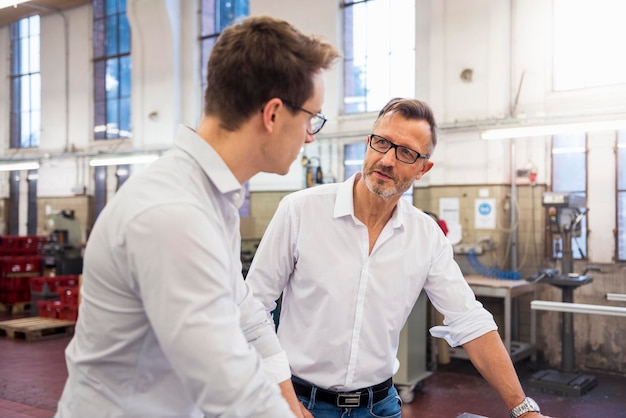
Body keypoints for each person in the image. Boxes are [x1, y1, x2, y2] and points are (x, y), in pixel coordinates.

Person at [55, 16, 340, 418]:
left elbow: (248, 317)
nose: (311, 135)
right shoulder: (172, 214)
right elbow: (229, 387)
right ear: (273, 114)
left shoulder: (214, 199)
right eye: (311, 117)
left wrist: (289, 402)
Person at [246, 98, 553, 418]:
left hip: (380, 407)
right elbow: (252, 307)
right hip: (298, 401)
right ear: (368, 142)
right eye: (381, 143)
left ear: (423, 168)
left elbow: (470, 321)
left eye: (406, 152)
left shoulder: (426, 236)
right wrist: (282, 398)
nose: (387, 160)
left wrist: (523, 409)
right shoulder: (300, 211)